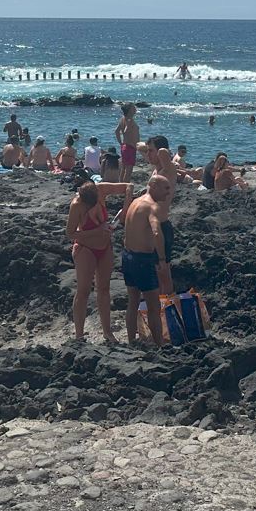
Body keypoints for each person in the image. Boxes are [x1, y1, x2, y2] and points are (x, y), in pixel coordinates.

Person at [121, 176, 171, 347]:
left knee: (133, 301)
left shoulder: (136, 202)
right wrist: (162, 260)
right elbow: (157, 232)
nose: (168, 192)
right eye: (165, 188)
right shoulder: (152, 206)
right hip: (142, 260)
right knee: (153, 306)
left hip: (127, 256)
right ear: (154, 186)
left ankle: (131, 341)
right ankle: (159, 345)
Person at [66, 181, 116, 344]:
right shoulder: (77, 205)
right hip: (86, 249)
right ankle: (79, 335)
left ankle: (107, 332)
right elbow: (70, 234)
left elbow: (127, 186)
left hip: (105, 247)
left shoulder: (100, 193)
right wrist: (96, 231)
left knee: (104, 288)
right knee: (83, 291)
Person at [115, 104, 141, 181]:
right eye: (133, 108)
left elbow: (116, 131)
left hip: (125, 147)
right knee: (128, 171)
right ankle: (125, 187)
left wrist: (121, 143)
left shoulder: (123, 118)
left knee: (123, 168)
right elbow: (126, 131)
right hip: (130, 147)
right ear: (129, 110)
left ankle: (120, 186)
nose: (135, 109)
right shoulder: (130, 120)